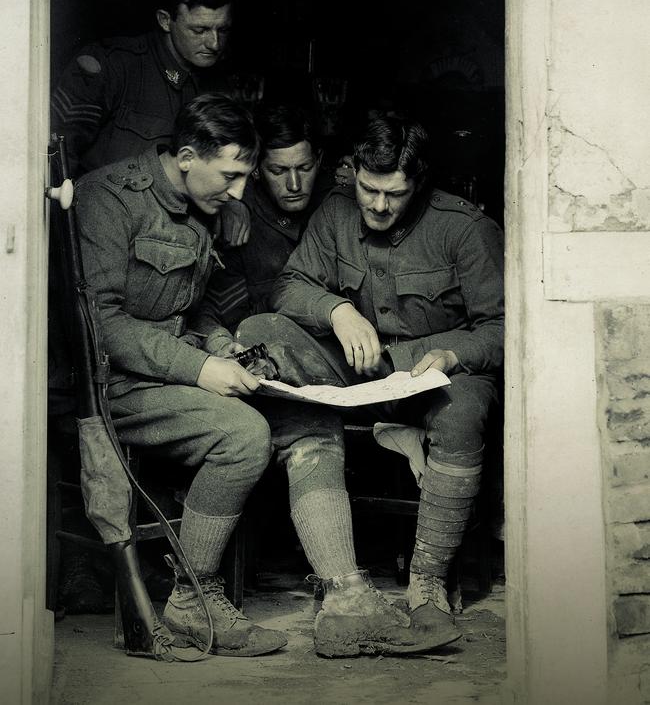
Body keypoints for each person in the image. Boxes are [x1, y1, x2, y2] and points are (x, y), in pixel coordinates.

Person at [237, 111, 503, 649]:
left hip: (436, 377)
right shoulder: (334, 214)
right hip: (358, 377)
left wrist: (454, 352)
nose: (379, 206)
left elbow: (504, 325)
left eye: (395, 194)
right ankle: (343, 586)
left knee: (466, 408)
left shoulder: (465, 228)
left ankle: (426, 587)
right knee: (259, 328)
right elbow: (289, 287)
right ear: (353, 171)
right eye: (368, 189)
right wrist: (336, 310)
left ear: (418, 184)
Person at [74, 93, 285, 656]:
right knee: (243, 435)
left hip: (162, 370)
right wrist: (199, 367)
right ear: (187, 155)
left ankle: (191, 591)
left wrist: (222, 346)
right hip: (108, 382)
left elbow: (192, 310)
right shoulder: (108, 200)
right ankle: (192, 599)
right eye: (232, 177)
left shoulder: (203, 205)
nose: (240, 194)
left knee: (274, 410)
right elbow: (101, 322)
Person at [51, 0, 234, 178]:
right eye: (200, 30)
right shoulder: (114, 66)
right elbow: (58, 157)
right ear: (165, 21)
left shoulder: (222, 84)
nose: (214, 44)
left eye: (222, 30)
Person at [210, 103, 331, 330]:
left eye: (305, 168)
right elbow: (228, 323)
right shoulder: (237, 226)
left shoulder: (336, 209)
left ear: (320, 160)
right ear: (255, 169)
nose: (294, 185)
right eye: (278, 171)